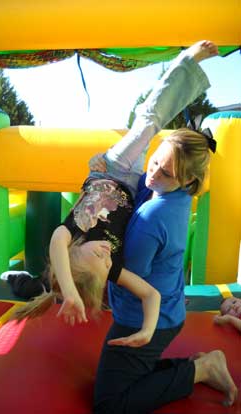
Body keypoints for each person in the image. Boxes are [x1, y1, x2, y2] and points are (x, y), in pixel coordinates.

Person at [12, 41, 217, 334]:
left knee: (149, 119)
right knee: (157, 138)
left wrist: (69, 292)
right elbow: (150, 294)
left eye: (99, 255)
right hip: (133, 189)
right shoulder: (111, 266)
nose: (108, 253)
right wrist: (149, 328)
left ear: (76, 248)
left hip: (113, 168)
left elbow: (56, 244)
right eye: (108, 263)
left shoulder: (77, 229)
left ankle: (187, 62)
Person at [92, 42, 238, 412]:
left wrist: (91, 258)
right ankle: (194, 367)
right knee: (122, 379)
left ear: (185, 178)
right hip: (167, 311)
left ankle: (201, 369)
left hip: (148, 319)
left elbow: (131, 277)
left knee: (109, 404)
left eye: (164, 170)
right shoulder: (175, 194)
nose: (153, 171)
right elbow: (148, 122)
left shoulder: (151, 218)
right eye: (155, 160)